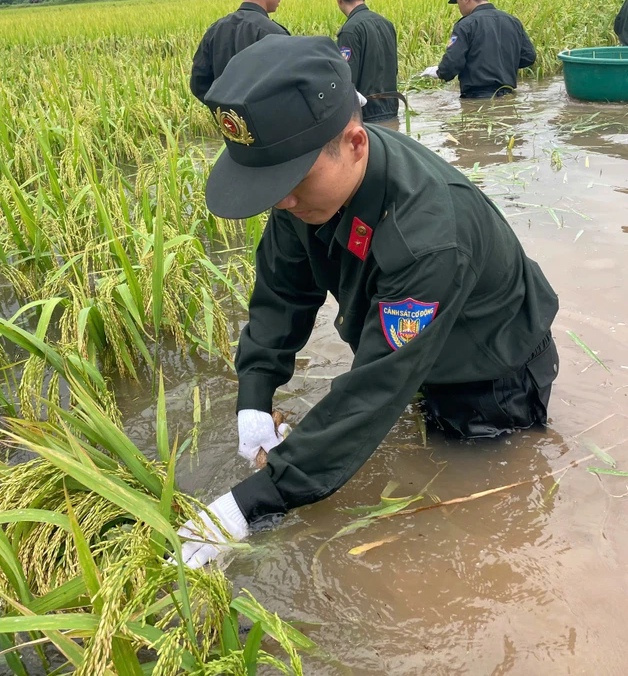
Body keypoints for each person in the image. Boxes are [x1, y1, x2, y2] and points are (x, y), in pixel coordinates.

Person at [177, 35, 559, 568]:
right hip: (419, 356)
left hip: (492, 374)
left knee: (473, 511)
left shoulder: (429, 235)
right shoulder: (304, 197)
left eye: (292, 182)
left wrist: (255, 502)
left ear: (356, 142)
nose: (282, 201)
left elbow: (378, 385)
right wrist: (255, 396)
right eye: (271, 185)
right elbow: (282, 293)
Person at [189, 0, 297, 103]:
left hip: (228, 124)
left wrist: (224, 112)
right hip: (268, 124)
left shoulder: (215, 30)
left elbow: (198, 83)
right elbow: (292, 87)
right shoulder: (274, 34)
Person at [420, 0, 536, 98]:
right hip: (508, 95)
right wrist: (502, 64)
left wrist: (439, 72)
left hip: (477, 98)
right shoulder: (512, 21)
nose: (459, 7)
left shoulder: (465, 25)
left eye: (458, 2)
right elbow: (529, 56)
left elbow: (452, 62)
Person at [333, 0, 400, 123]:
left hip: (366, 116)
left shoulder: (349, 31)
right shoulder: (386, 24)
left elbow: (347, 79)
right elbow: (394, 69)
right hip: (392, 109)